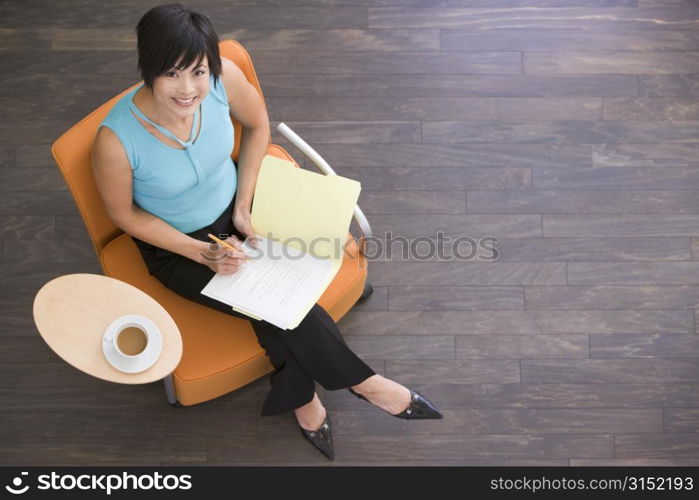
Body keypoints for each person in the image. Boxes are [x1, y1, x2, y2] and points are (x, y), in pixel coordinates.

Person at [90, 3, 442, 461]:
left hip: (244, 204)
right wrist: (201, 253)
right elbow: (126, 216)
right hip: (176, 244)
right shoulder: (115, 140)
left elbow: (257, 126)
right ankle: (364, 384)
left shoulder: (224, 78)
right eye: (173, 74)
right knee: (274, 301)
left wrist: (242, 205)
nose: (189, 89)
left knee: (279, 292)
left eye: (198, 72)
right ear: (149, 67)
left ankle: (299, 396)